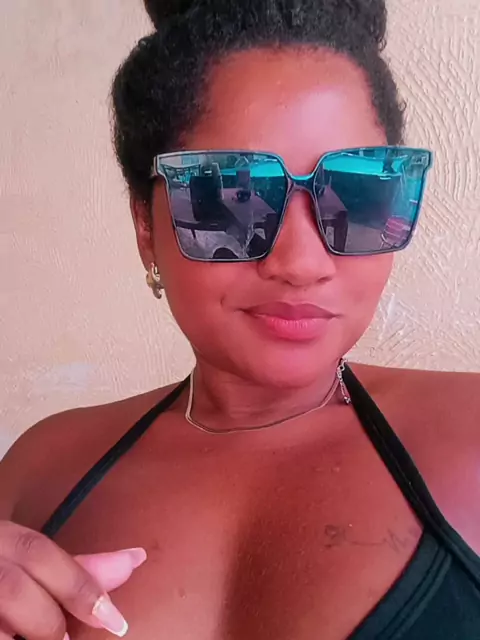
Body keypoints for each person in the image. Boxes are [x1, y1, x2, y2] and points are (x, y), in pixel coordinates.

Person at [0, 1, 479, 639]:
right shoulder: (38, 474)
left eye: (359, 192)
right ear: (146, 227)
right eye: (229, 197)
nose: (302, 263)